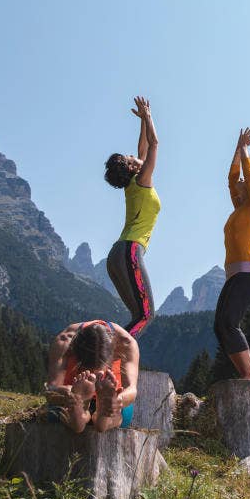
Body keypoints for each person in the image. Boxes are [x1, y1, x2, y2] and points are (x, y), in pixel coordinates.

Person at [214, 127, 250, 380]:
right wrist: (237, 149)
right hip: (236, 275)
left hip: (249, 274)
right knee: (220, 326)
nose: (237, 184)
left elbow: (247, 176)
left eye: (243, 184)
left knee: (229, 323)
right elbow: (232, 177)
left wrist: (246, 151)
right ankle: (246, 375)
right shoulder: (240, 208)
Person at [103, 96, 161, 337]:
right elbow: (154, 144)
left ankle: (103, 351)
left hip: (116, 255)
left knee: (138, 316)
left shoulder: (133, 185)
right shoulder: (141, 180)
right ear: (133, 168)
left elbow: (143, 149)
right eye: (130, 158)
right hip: (130, 251)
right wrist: (148, 117)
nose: (134, 155)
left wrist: (143, 121)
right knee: (146, 315)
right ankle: (110, 360)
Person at [44, 320, 139, 433]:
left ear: (113, 352)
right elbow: (51, 391)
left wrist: (118, 400)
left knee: (114, 407)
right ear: (75, 351)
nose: (94, 377)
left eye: (100, 372)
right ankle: (98, 417)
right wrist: (70, 394)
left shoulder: (126, 343)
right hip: (74, 397)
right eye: (86, 370)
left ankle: (97, 415)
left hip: (108, 398)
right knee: (117, 414)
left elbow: (131, 390)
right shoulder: (65, 342)